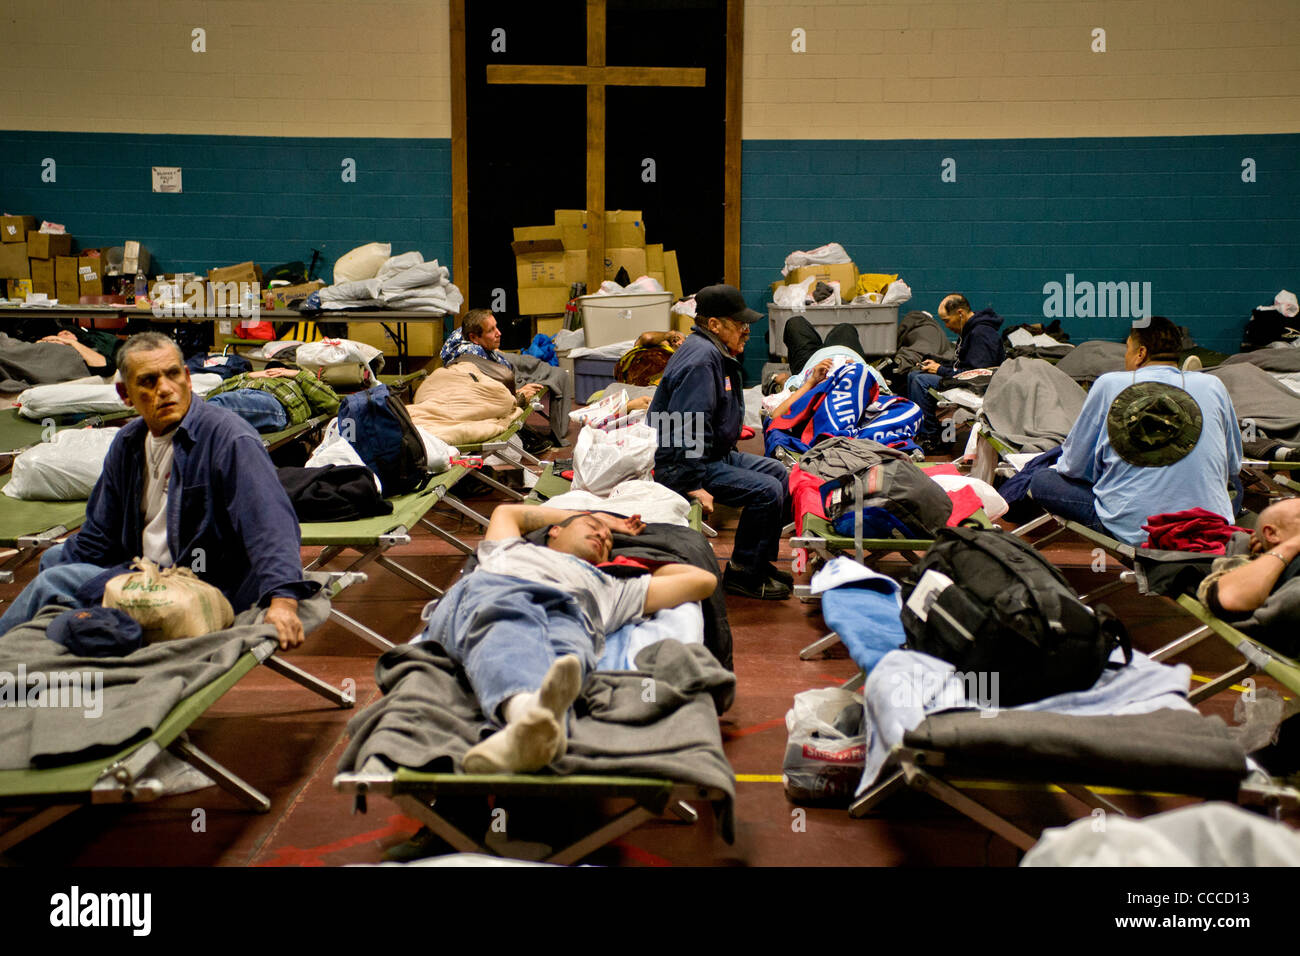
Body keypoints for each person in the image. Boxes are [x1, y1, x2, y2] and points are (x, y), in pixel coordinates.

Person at [0, 332, 316, 649]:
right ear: (126, 395)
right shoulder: (128, 444)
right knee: (54, 560)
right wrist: (65, 562)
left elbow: (270, 523)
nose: (164, 389)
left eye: (173, 375)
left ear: (188, 379)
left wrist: (284, 599)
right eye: (148, 381)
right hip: (144, 569)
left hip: (202, 583)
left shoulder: (228, 439)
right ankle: (56, 646)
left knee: (53, 582)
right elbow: (98, 535)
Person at [415, 502, 717, 773]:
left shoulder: (611, 586)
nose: (603, 537)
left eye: (608, 540)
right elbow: (508, 512)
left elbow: (703, 581)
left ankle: (541, 724)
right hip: (499, 592)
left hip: (571, 613)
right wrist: (604, 519)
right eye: (592, 528)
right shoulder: (510, 550)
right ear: (555, 531)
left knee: (572, 650)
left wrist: (637, 563)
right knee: (508, 622)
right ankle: (525, 713)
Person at [1029, 316, 1242, 546]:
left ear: (1140, 353)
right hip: (1208, 526)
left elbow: (1074, 468)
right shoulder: (1213, 385)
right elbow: (1232, 466)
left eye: (1127, 351)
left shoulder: (1108, 383)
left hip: (1139, 533)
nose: (1126, 358)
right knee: (1236, 485)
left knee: (1042, 479)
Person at [648, 284, 792, 600]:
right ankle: (743, 575)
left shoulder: (711, 351)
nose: (746, 331)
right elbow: (685, 425)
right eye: (740, 324)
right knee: (766, 492)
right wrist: (690, 483)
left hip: (712, 454)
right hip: (681, 465)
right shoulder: (701, 359)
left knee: (779, 473)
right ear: (714, 324)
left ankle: (757, 563)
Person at [906, 294, 1005, 451]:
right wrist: (938, 364)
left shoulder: (981, 334)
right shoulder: (969, 330)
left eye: (946, 320)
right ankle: (927, 432)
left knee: (921, 381)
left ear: (960, 313)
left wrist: (940, 370)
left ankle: (930, 437)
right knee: (914, 375)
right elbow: (963, 364)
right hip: (967, 378)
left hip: (980, 387)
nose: (945, 325)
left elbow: (977, 374)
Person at [762, 314, 891, 416]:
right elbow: (885, 392)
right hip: (846, 352)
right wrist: (862, 370)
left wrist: (810, 381)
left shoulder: (813, 387)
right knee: (845, 328)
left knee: (795, 323)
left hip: (810, 361)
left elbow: (778, 412)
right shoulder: (863, 383)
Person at [440, 309, 544, 406]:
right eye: (491, 330)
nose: (499, 333)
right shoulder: (472, 356)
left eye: (496, 327)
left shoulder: (467, 332)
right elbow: (487, 397)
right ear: (473, 337)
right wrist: (519, 394)